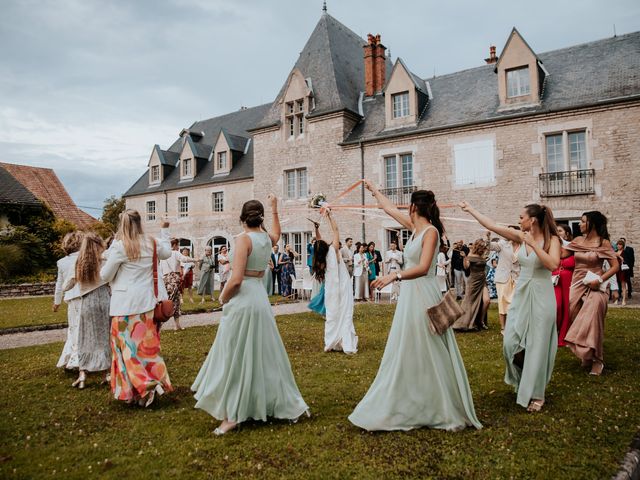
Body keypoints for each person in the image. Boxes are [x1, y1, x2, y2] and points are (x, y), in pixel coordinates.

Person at [349, 181, 481, 431]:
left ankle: (438, 402)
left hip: (424, 293)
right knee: (409, 344)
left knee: (429, 345)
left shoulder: (431, 232)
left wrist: (394, 276)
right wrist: (374, 191)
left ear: (413, 207)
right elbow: (388, 210)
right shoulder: (414, 229)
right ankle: (413, 394)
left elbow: (422, 268)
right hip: (411, 294)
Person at [191, 195, 309, 435]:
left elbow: (235, 280)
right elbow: (277, 233)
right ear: (260, 217)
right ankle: (258, 402)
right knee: (260, 352)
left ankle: (233, 414)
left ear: (242, 218)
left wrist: (222, 298)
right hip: (260, 298)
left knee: (235, 354)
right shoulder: (266, 238)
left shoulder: (243, 239)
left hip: (243, 297)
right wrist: (275, 209)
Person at [459, 202, 560, 412]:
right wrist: (471, 209)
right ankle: (525, 379)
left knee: (538, 345)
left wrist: (533, 244)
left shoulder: (553, 240)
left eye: (521, 217)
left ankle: (537, 393)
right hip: (522, 293)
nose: (518, 220)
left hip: (542, 295)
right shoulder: (519, 237)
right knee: (510, 343)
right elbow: (493, 225)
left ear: (532, 220)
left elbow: (553, 265)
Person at [100, 210, 173, 407]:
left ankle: (142, 386)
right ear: (140, 223)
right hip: (146, 303)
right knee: (146, 348)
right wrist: (164, 229)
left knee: (125, 349)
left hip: (123, 305)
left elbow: (105, 276)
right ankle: (143, 389)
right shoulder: (152, 243)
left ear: (122, 225)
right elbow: (167, 252)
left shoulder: (120, 247)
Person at [564, 211, 619, 376]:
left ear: (592, 224)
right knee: (575, 316)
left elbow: (615, 266)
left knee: (593, 318)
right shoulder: (577, 241)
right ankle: (586, 355)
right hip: (577, 283)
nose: (579, 224)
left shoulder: (603, 243)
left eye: (582, 221)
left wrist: (600, 280)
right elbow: (561, 254)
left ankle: (597, 359)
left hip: (596, 284)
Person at [309, 211, 358, 354]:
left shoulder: (320, 257)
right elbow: (336, 230)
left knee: (332, 315)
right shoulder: (333, 250)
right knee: (345, 312)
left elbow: (319, 243)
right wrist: (330, 216)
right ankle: (344, 342)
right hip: (343, 286)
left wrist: (317, 229)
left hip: (331, 289)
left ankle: (330, 342)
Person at [71, 233, 111, 389]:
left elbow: (72, 281)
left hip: (87, 301)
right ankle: (107, 372)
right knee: (105, 336)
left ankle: (82, 375)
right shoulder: (104, 261)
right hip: (104, 299)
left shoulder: (80, 263)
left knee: (86, 336)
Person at [54, 231, 84, 370]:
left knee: (73, 328)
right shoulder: (85, 258)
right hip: (84, 296)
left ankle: (70, 357)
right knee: (82, 328)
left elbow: (59, 285)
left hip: (71, 298)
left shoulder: (61, 262)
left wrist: (57, 301)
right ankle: (77, 359)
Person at [453, 238, 490, 331]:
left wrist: (488, 237)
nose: (483, 248)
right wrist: (465, 257)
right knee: (469, 302)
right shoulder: (471, 254)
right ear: (478, 246)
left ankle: (481, 321)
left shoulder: (483, 254)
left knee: (486, 301)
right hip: (473, 281)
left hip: (483, 280)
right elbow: (466, 267)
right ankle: (466, 322)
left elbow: (489, 250)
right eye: (482, 247)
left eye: (484, 247)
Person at [160, 238, 194, 330]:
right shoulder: (175, 252)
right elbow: (184, 259)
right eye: (178, 245)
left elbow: (161, 270)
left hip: (166, 279)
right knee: (170, 301)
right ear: (174, 245)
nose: (179, 247)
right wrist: (195, 259)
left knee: (176, 301)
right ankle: (158, 325)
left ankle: (177, 325)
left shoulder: (163, 256)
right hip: (174, 279)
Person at [490, 232, 519, 334]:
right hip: (503, 278)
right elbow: (491, 246)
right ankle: (503, 327)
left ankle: (515, 326)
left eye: (511, 231)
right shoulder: (503, 243)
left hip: (518, 278)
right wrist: (488, 237)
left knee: (516, 303)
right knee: (502, 303)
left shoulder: (523, 245)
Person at [553, 224, 575, 346]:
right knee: (557, 306)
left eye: (560, 230)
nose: (557, 232)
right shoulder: (553, 246)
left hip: (568, 282)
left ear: (566, 233)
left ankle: (564, 336)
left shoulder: (573, 246)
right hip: (554, 281)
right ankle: (553, 332)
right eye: (556, 230)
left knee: (568, 308)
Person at [615, 239, 629, 306]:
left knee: (623, 285)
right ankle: (617, 299)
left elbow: (625, 261)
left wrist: (619, 256)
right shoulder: (615, 251)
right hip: (616, 270)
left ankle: (623, 300)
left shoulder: (625, 252)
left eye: (620, 244)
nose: (618, 246)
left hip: (623, 270)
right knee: (617, 286)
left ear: (622, 246)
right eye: (617, 244)